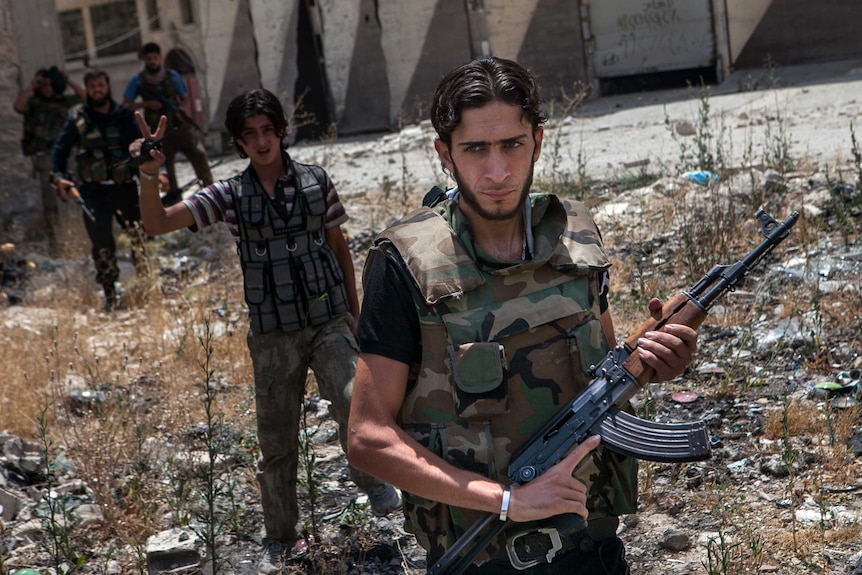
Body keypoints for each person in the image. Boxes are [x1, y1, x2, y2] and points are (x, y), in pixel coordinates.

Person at [347, 57, 699, 574]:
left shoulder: (574, 235)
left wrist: (655, 361)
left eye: (512, 145)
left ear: (537, 139)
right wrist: (507, 500)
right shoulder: (404, 263)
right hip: (483, 555)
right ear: (445, 154)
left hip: (592, 546)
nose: (497, 172)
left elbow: (600, 381)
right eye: (475, 149)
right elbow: (368, 438)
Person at [128, 88, 403, 575]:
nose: (261, 142)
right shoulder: (230, 196)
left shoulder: (317, 183)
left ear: (280, 132)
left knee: (351, 401)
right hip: (273, 334)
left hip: (327, 319)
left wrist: (355, 316)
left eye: (267, 131)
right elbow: (157, 223)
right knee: (276, 440)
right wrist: (149, 176)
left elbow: (339, 249)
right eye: (249, 134)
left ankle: (372, 481)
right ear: (239, 142)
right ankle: (280, 537)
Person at [52, 69, 144, 311]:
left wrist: (158, 173)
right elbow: (60, 151)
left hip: (124, 188)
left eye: (100, 85)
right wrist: (61, 177)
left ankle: (146, 286)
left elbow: (140, 147)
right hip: (93, 192)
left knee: (140, 237)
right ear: (87, 89)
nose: (97, 90)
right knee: (101, 242)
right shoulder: (78, 118)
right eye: (92, 86)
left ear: (108, 86)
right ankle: (110, 294)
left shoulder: (124, 115)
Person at [123, 42, 213, 206]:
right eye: (149, 58)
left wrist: (180, 110)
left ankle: (210, 192)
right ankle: (175, 202)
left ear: (160, 58)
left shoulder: (172, 76)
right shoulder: (138, 81)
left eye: (155, 58)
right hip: (159, 133)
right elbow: (126, 103)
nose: (152, 61)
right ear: (144, 59)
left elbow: (185, 97)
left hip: (180, 126)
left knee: (199, 155)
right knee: (166, 167)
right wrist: (147, 104)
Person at [13, 66, 85, 256]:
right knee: (50, 202)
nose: (47, 89)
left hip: (65, 154)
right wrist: (32, 85)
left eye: (50, 84)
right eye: (43, 85)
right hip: (44, 157)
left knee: (74, 195)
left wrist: (67, 80)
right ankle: (56, 245)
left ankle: (79, 238)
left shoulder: (63, 101)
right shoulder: (33, 103)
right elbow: (19, 106)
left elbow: (85, 97)